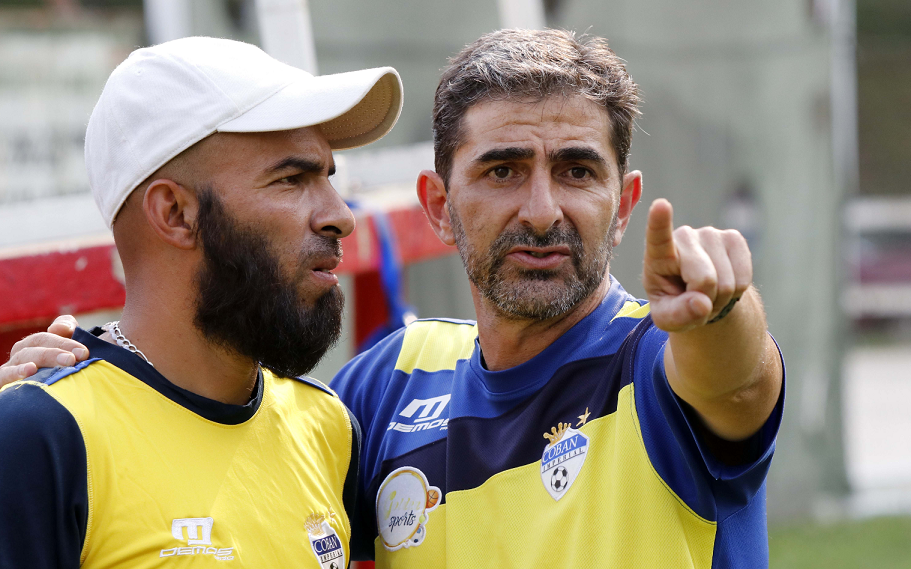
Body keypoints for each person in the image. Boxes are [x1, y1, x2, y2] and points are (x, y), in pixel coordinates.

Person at [3, 29, 784, 568]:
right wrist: (66, 400)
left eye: (577, 169)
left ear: (623, 203)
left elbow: (736, 378)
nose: (543, 208)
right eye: (503, 169)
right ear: (438, 205)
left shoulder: (656, 362)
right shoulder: (379, 392)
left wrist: (720, 311)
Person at [0, 36, 403, 568]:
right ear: (175, 213)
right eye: (291, 178)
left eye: (328, 176)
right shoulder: (41, 437)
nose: (340, 215)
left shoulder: (327, 424)